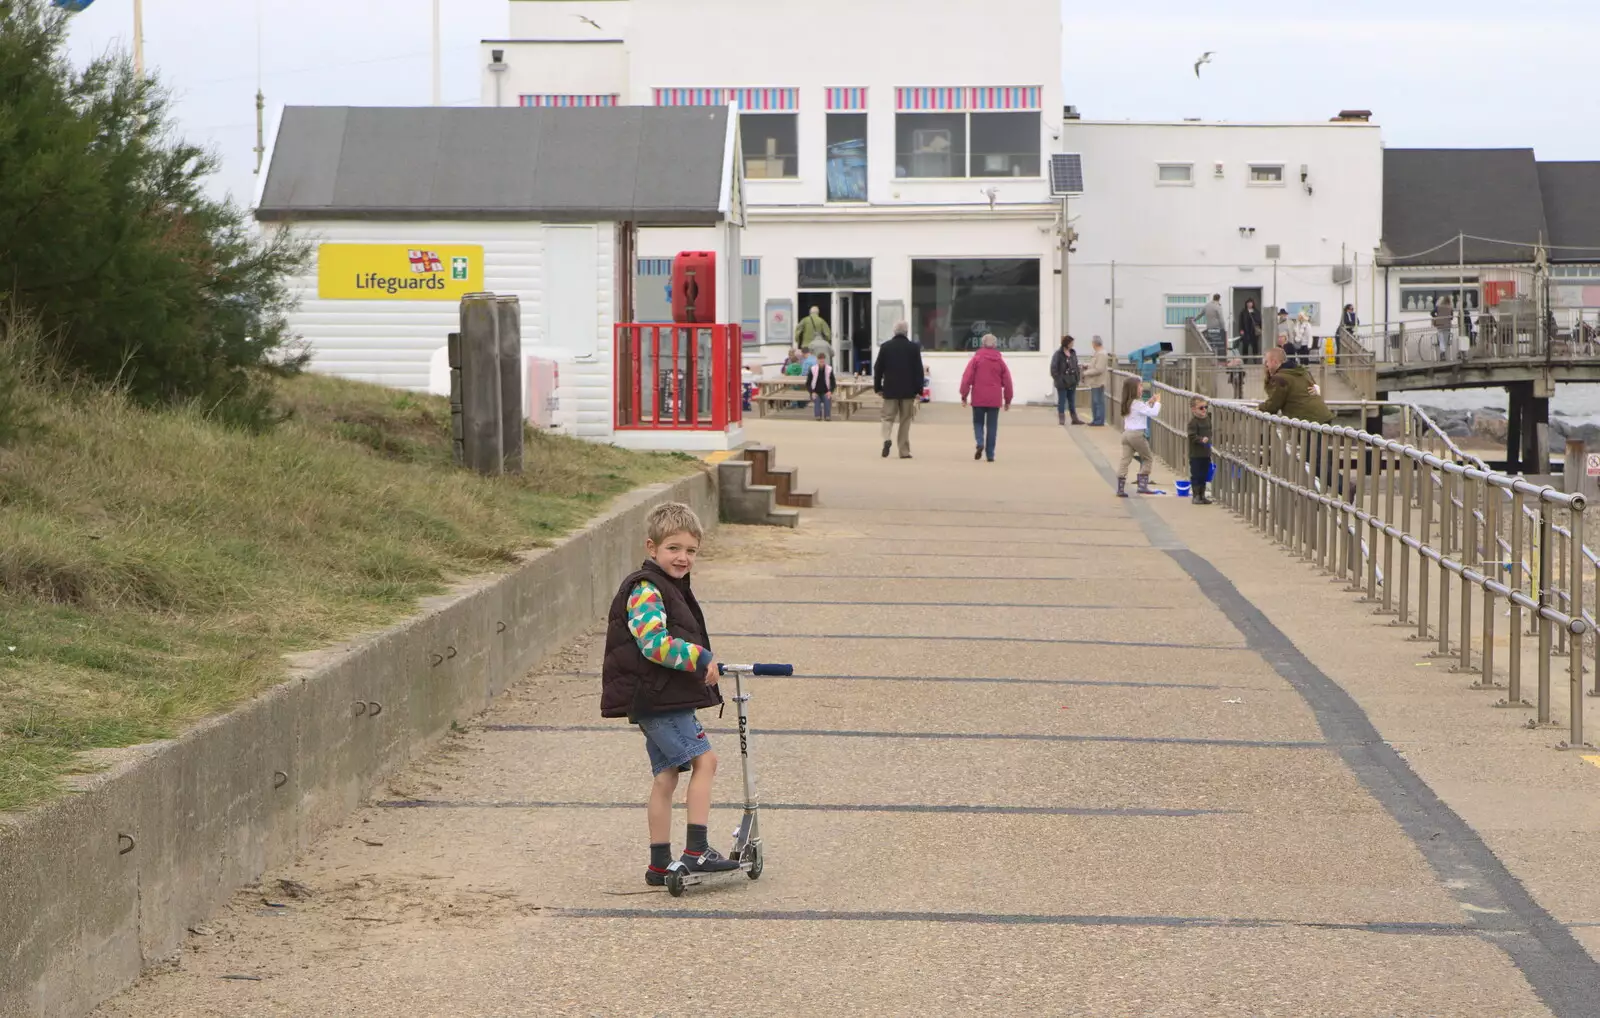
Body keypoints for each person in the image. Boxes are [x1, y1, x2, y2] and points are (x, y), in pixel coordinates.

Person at [599, 502, 738, 887]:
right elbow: (653, 644)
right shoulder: (646, 589)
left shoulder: (669, 586)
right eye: (674, 548)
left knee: (665, 776)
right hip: (657, 697)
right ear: (652, 547)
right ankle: (697, 851)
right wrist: (700, 657)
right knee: (705, 762)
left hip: (656, 696)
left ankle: (659, 861)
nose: (683, 557)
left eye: (691, 550)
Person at [1261, 346, 1334, 489]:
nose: (1266, 365)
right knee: (1315, 459)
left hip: (1309, 419)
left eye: (1267, 362)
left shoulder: (1281, 378)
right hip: (1320, 416)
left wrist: (1257, 409)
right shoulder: (1299, 371)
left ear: (1275, 361)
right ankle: (1317, 494)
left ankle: (1342, 486)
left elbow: (1273, 405)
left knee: (1313, 462)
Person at [873, 320, 924, 459]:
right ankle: (904, 451)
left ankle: (886, 439)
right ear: (907, 332)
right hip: (908, 391)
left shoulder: (885, 347)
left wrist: (878, 387)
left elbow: (878, 369)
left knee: (887, 417)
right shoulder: (913, 348)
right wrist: (919, 390)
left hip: (890, 390)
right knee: (905, 420)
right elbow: (918, 371)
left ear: (894, 332)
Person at [959, 334, 1014, 462]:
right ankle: (990, 454)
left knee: (978, 422)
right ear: (995, 345)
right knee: (992, 426)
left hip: (978, 396)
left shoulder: (976, 359)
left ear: (982, 344)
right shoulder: (1000, 361)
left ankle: (979, 442)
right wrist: (1008, 399)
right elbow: (1008, 381)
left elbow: (967, 378)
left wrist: (964, 395)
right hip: (994, 398)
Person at [1116, 377, 1159, 497]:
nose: (1142, 388)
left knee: (1125, 460)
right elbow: (1153, 413)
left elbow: (1140, 411)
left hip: (1126, 434)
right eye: (1140, 386)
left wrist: (1149, 402)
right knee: (1148, 458)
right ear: (1133, 389)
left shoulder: (1128, 403)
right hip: (1137, 434)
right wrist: (1157, 402)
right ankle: (1142, 485)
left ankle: (1120, 487)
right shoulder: (1137, 404)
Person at [1049, 334, 1083, 426]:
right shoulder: (1058, 354)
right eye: (1071, 343)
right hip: (1062, 382)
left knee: (1072, 401)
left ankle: (1074, 418)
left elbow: (1075, 366)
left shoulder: (1073, 353)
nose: (1072, 344)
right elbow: (1053, 369)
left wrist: (1077, 377)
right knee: (1062, 401)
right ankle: (1061, 418)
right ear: (1066, 343)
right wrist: (1059, 380)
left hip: (1072, 381)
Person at [1187, 396, 1213, 505]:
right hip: (1196, 454)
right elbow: (1191, 436)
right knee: (1196, 474)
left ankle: (1202, 495)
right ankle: (1196, 495)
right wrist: (1201, 439)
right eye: (1201, 408)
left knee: (1204, 474)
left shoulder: (1207, 419)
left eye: (1205, 407)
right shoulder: (1193, 422)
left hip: (1206, 453)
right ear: (1193, 409)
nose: (1204, 410)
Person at [1083, 336, 1111, 426]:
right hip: (1095, 382)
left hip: (1099, 382)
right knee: (1095, 402)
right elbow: (1095, 365)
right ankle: (1096, 419)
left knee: (1098, 401)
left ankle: (1099, 420)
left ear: (1095, 343)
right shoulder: (1098, 353)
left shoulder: (1101, 354)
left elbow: (1099, 369)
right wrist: (1088, 366)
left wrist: (1086, 373)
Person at [807, 350, 836, 421]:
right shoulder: (813, 369)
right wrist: (812, 392)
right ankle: (818, 416)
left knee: (827, 398)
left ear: (825, 360)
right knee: (816, 400)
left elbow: (833, 383)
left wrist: (830, 391)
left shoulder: (829, 369)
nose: (821, 361)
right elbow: (808, 383)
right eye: (820, 359)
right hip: (815, 391)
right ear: (817, 360)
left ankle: (827, 416)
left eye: (823, 359)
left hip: (825, 391)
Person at [1432, 295, 1454, 361]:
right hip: (1447, 325)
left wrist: (1437, 317)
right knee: (1445, 340)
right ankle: (1443, 354)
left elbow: (1432, 313)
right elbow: (1451, 317)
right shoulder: (1450, 308)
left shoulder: (1438, 307)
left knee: (1441, 340)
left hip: (1440, 325)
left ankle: (1442, 353)